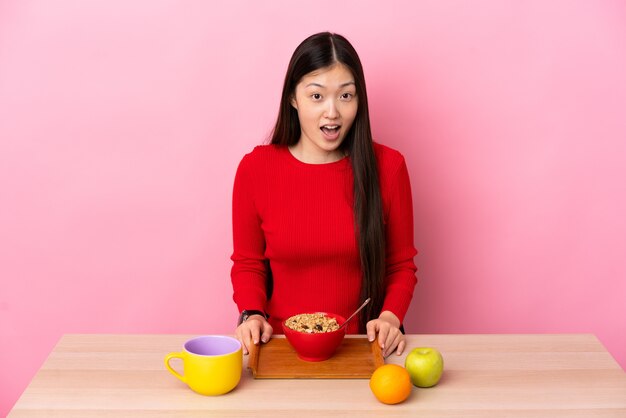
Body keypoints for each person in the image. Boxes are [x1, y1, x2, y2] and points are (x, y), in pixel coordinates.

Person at [231, 32, 417, 358]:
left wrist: (390, 317)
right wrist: (251, 313)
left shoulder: (389, 168)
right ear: (293, 98)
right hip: (278, 347)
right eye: (317, 96)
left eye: (346, 96)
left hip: (363, 348)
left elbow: (401, 265)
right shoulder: (255, 169)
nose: (332, 112)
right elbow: (248, 264)